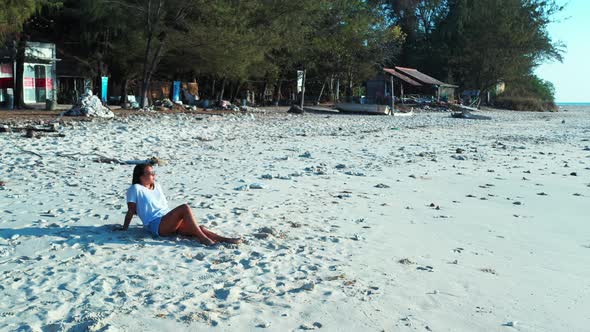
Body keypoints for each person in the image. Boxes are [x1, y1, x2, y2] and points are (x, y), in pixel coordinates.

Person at [118, 163, 241, 245]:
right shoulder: (135, 189)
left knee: (199, 228)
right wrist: (124, 228)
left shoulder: (157, 186)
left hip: (167, 219)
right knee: (184, 208)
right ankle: (203, 239)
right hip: (156, 224)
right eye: (150, 173)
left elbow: (162, 206)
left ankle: (225, 240)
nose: (153, 175)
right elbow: (131, 211)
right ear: (140, 176)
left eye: (153, 172)